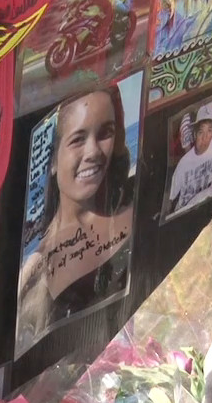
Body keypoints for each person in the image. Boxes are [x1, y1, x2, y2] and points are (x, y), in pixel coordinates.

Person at [17, 88, 134, 350]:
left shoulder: (133, 207)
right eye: (78, 139)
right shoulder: (33, 273)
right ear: (53, 161)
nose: (93, 151)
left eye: (106, 133)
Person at [166, 101, 212, 219]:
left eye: (209, 131)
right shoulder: (183, 164)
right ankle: (186, 141)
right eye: (201, 132)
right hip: (184, 212)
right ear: (195, 134)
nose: (205, 138)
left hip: (204, 206)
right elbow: (170, 198)